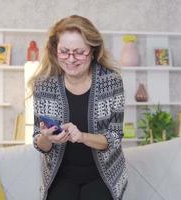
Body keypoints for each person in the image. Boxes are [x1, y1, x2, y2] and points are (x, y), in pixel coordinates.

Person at [27, 15, 128, 200]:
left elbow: (114, 137)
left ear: (93, 51)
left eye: (79, 52)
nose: (71, 59)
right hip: (60, 176)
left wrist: (82, 137)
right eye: (64, 51)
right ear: (55, 50)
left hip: (103, 176)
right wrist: (46, 138)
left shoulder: (111, 82)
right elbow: (38, 143)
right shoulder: (43, 85)